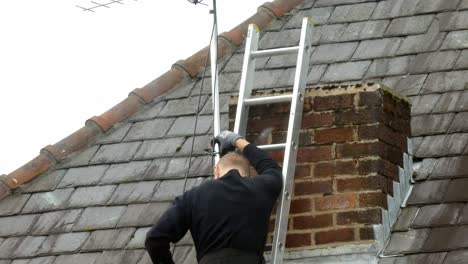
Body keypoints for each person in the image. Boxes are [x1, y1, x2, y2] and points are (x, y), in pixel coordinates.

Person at [145, 130, 283, 264]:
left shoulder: (194, 196)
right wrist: (236, 140)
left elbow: (155, 239)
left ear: (216, 171)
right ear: (248, 175)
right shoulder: (259, 187)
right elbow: (272, 168)